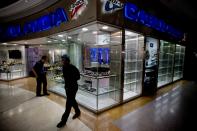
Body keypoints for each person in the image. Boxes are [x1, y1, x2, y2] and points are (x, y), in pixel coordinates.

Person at [57, 54, 81, 128]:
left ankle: (63, 120)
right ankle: (78, 112)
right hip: (67, 87)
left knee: (68, 104)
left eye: (63, 60)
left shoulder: (72, 67)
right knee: (72, 100)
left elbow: (78, 77)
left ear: (67, 60)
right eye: (62, 60)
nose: (62, 61)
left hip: (73, 87)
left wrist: (71, 80)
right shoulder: (64, 67)